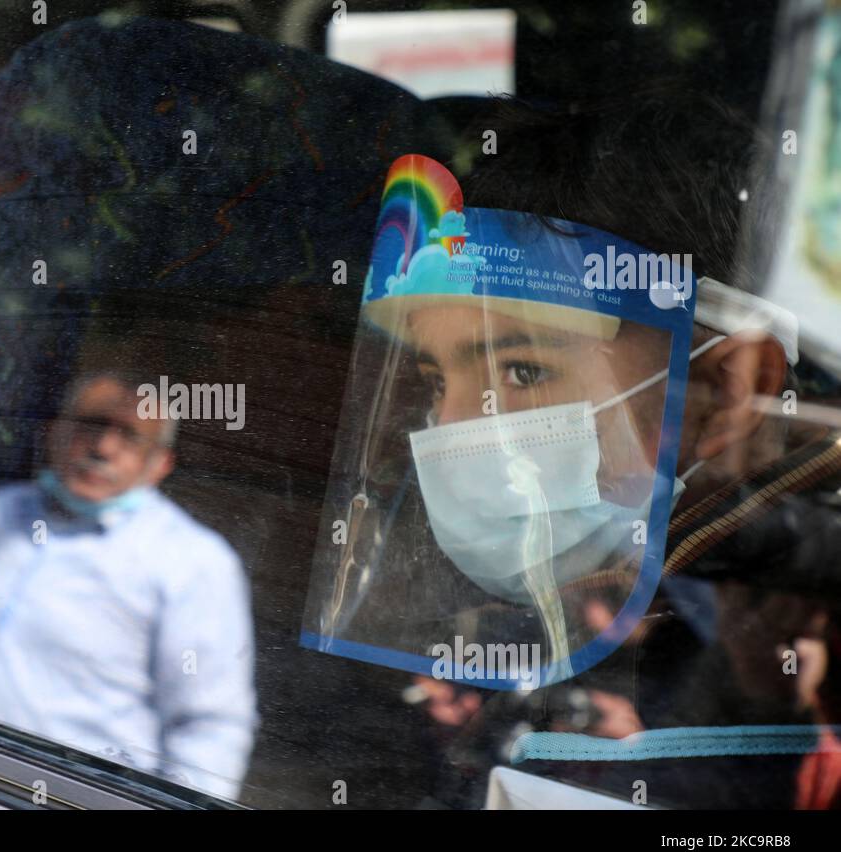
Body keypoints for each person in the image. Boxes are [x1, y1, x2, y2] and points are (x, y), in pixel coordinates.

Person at [304, 88, 841, 808]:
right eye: (437, 379)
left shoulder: (781, 605)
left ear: (726, 387)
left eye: (524, 370)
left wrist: (756, 692)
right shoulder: (495, 627)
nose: (456, 425)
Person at [0, 370, 257, 800]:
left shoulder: (191, 564)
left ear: (159, 465)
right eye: (93, 425)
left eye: (130, 436)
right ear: (55, 432)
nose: (103, 448)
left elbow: (211, 728)